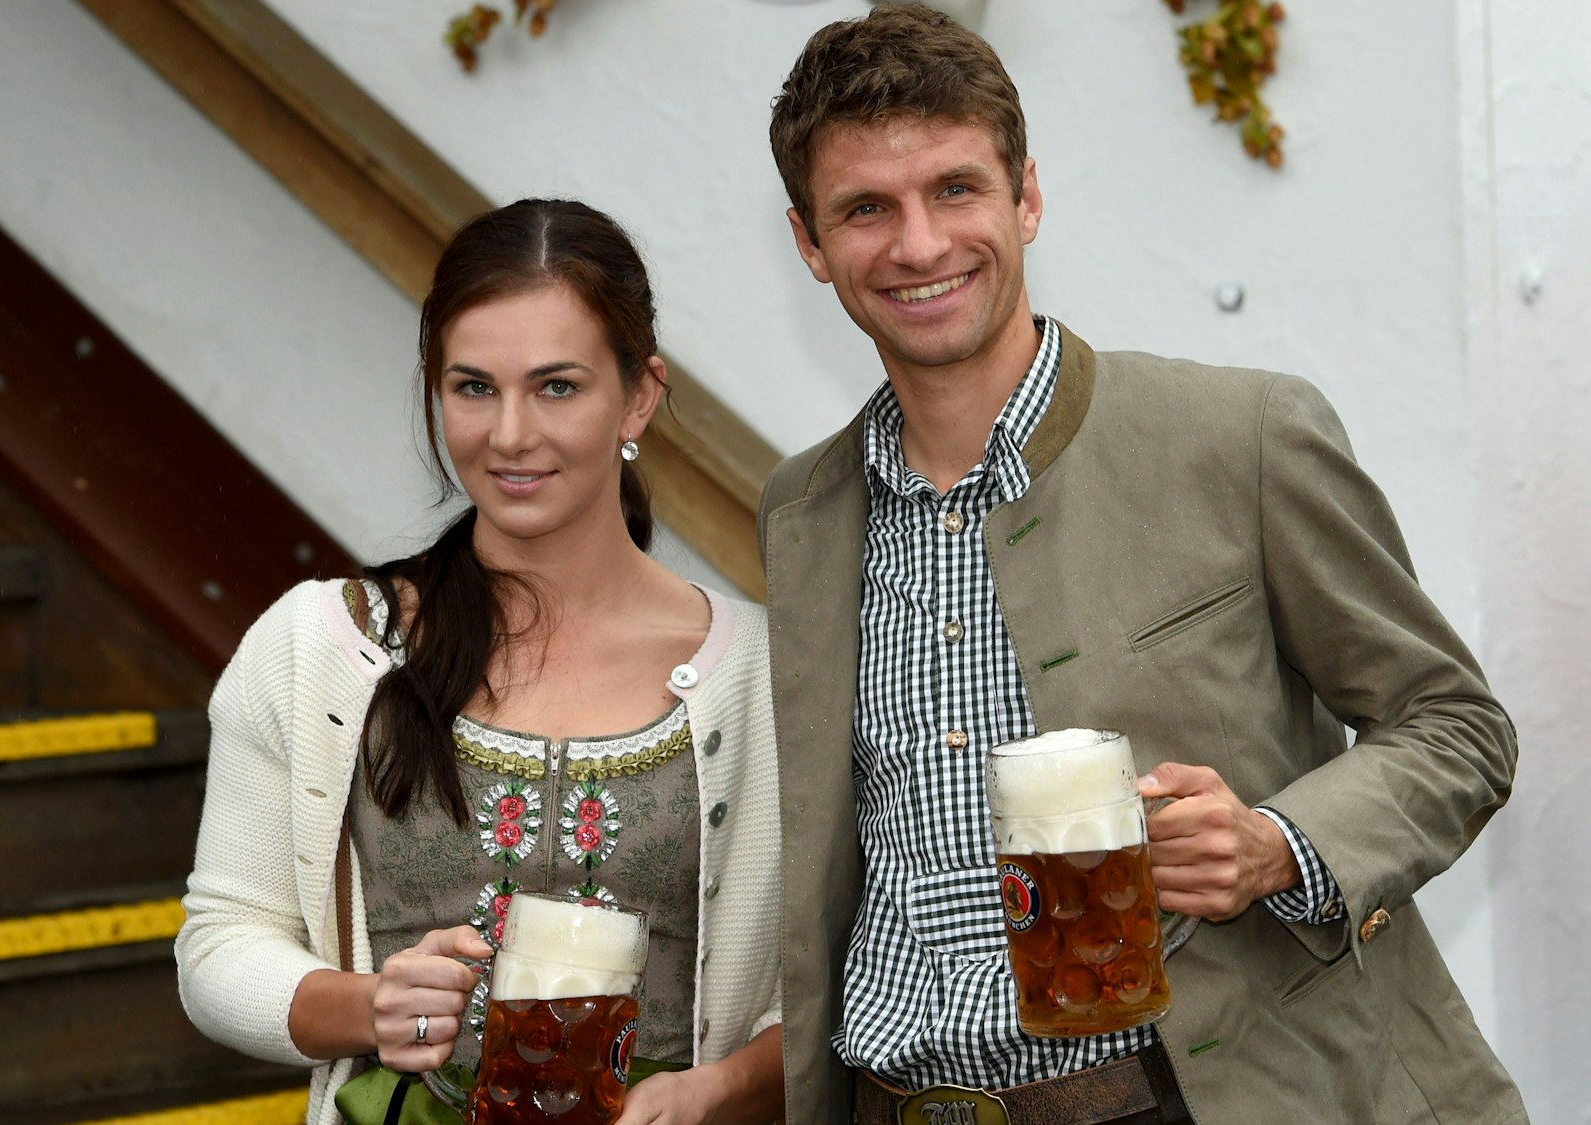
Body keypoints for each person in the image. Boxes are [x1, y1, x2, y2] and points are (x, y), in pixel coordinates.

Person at [756, 8, 1523, 1124]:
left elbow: (1456, 727)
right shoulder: (803, 510)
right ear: (808, 244)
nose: (917, 244)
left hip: (1183, 1100)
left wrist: (1277, 844)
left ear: (1026, 197)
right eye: (865, 208)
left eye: (956, 189)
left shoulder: (1240, 434)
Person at [176, 199, 786, 1125]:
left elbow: (844, 982)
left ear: (639, 395)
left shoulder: (766, 677)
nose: (508, 435)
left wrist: (721, 1089)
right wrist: (368, 1004)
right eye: (472, 387)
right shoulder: (321, 649)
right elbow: (219, 944)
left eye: (556, 386)